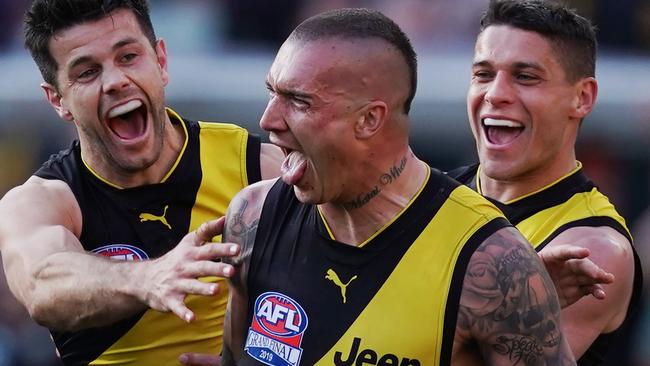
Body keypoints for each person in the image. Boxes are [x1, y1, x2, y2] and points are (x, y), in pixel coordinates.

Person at [189, 8, 576, 365]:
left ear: (370, 120)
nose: (268, 119)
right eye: (272, 93)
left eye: (299, 101)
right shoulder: (254, 217)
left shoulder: (488, 261)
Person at [0, 0, 282, 364]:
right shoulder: (42, 201)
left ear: (161, 61)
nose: (116, 81)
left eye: (128, 57)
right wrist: (149, 279)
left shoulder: (256, 167)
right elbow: (42, 286)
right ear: (58, 99)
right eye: (86, 72)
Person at [448, 0, 643, 364]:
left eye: (525, 77)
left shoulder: (593, 250)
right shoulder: (432, 198)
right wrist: (511, 300)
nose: (495, 94)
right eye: (483, 74)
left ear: (581, 98)